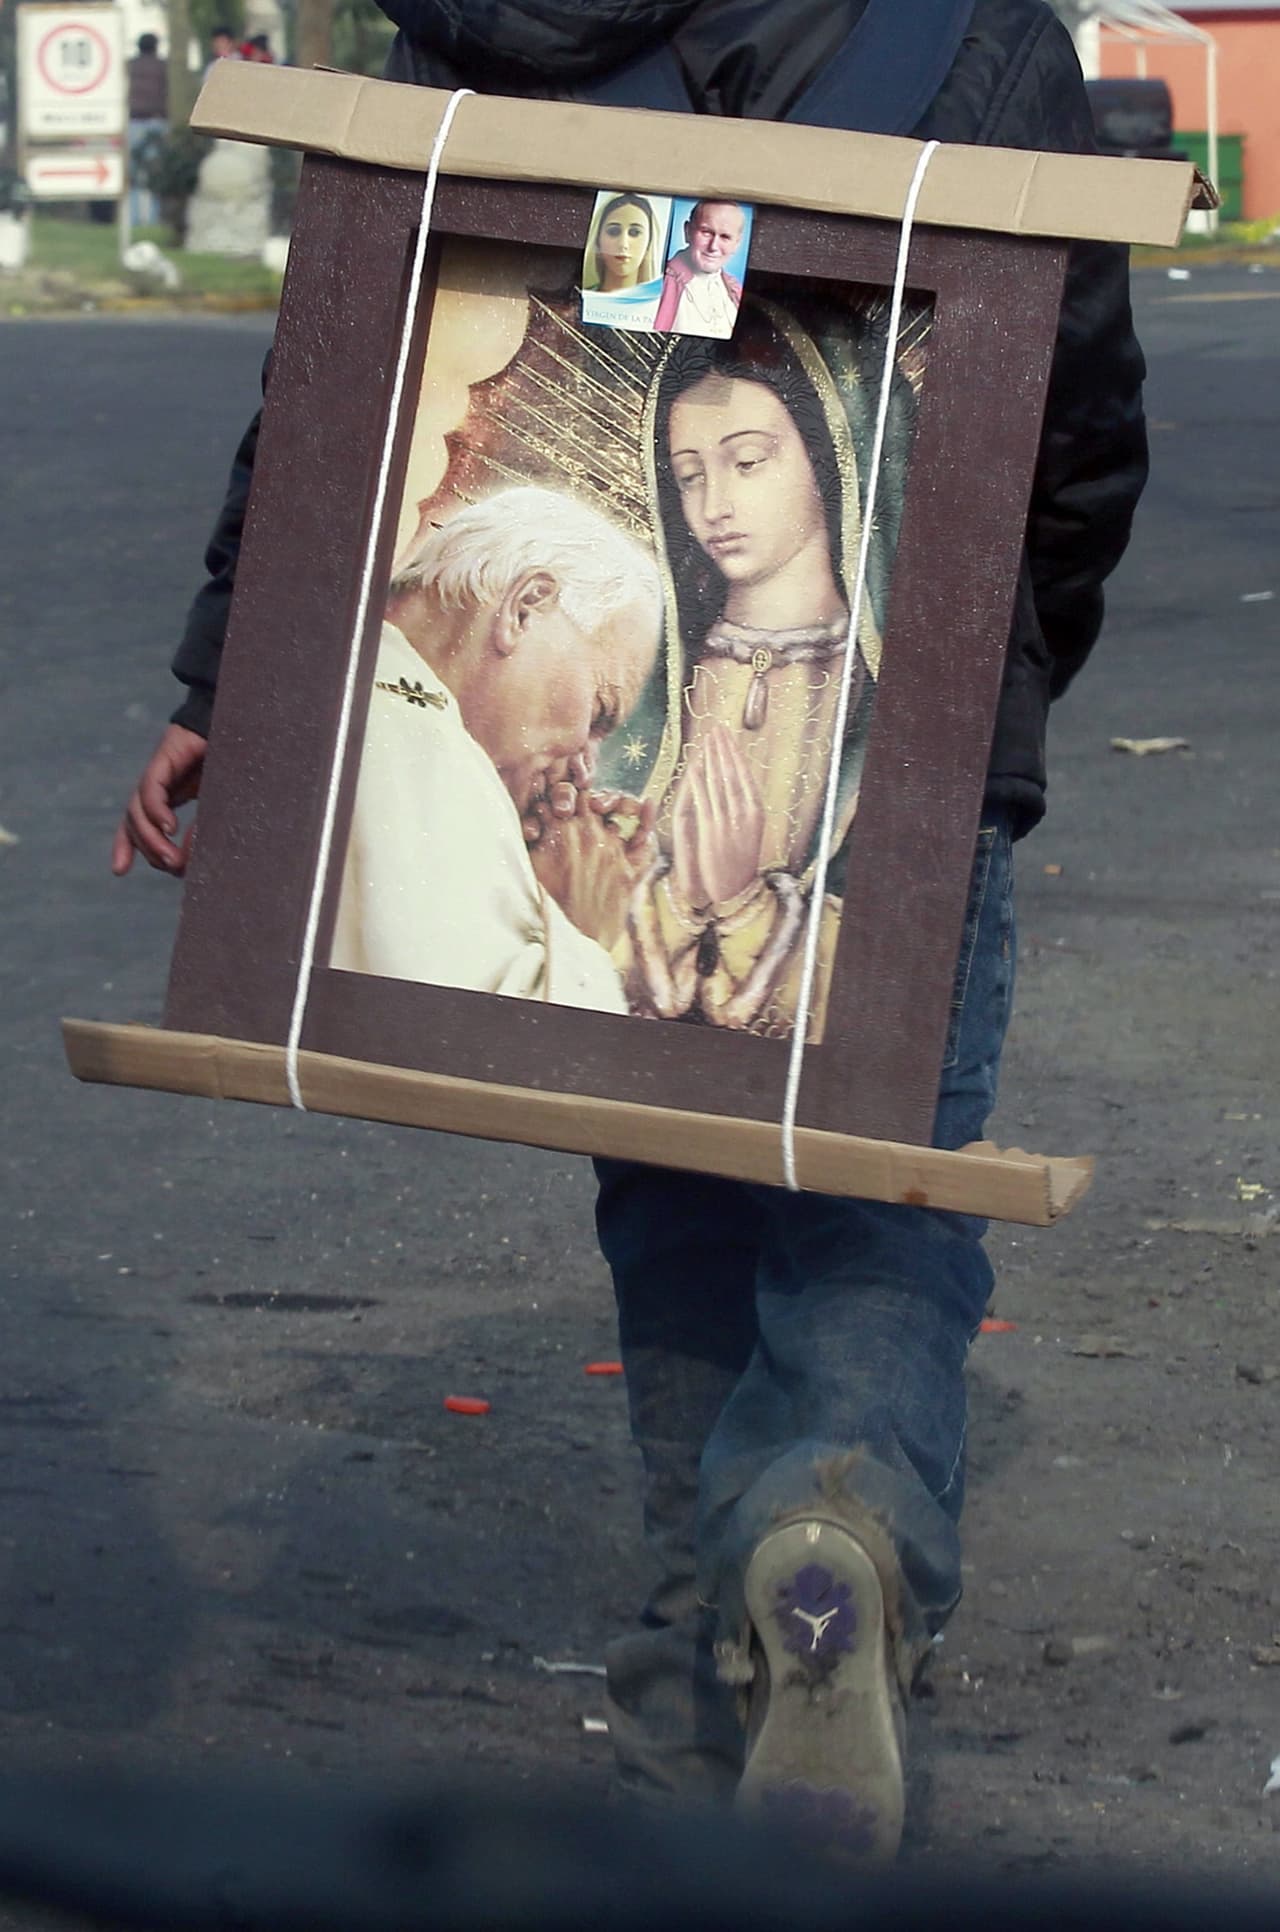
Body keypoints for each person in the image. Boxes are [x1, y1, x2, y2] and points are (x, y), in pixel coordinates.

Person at [114, 0, 1149, 1864]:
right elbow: (1076, 430)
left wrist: (229, 682)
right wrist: (974, 710)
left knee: (674, 1197)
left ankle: (698, 1689)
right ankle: (826, 1543)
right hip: (905, 774)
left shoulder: (466, 33)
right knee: (876, 1196)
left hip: (736, 788)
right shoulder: (972, 32)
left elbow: (343, 365)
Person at [618, 299, 903, 1034]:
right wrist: (679, 903)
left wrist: (745, 906)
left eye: (747, 462)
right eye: (688, 475)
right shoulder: (649, 676)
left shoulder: (884, 677)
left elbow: (899, 954)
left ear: (830, 454)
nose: (715, 504)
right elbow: (565, 925)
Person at [328, 486, 660, 1006]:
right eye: (598, 712)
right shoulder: (422, 748)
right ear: (526, 608)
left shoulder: (351, 679)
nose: (585, 764)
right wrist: (581, 922)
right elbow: (475, 1048)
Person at [654, 201, 746, 338]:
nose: (713, 246)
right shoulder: (656, 282)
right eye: (706, 232)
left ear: (736, 244)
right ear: (687, 231)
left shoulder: (736, 291)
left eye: (725, 237)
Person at [585, 192, 664, 294]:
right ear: (597, 239)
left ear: (649, 242)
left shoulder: (657, 306)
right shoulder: (576, 299)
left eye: (635, 233)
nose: (623, 244)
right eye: (613, 232)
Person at [126, 32, 167, 229]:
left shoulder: (130, 67)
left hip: (133, 121)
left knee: (133, 175)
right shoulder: (162, 67)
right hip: (156, 121)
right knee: (155, 175)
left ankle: (134, 218)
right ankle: (154, 217)